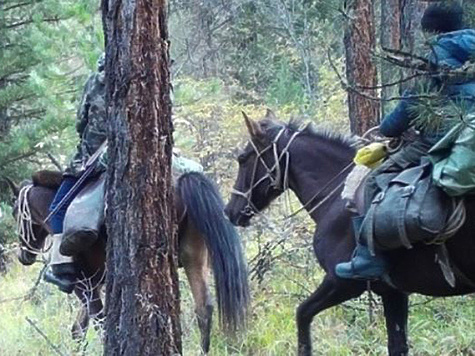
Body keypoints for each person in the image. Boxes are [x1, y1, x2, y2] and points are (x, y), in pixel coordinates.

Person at [335, 3, 475, 280]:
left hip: (440, 140)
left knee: (375, 179)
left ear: (431, 30)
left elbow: (408, 109)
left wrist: (387, 129)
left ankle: (369, 257)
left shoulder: (435, 55)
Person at [44, 55, 107, 293]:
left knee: (57, 209)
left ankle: (64, 269)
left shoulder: (94, 82)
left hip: (92, 160)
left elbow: (81, 122)